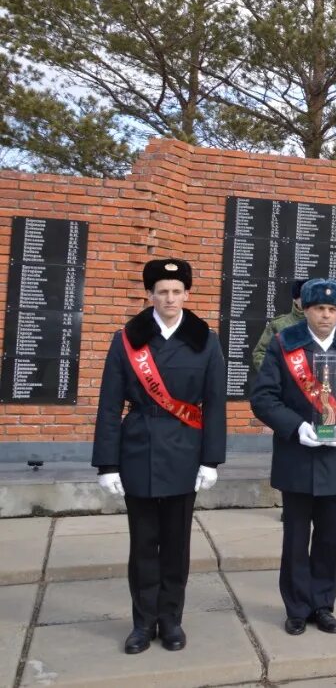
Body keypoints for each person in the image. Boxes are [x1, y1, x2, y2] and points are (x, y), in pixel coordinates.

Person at [92, 258, 227, 655]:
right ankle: (141, 622)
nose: (169, 298)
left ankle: (170, 619)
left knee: (176, 545)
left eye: (177, 291)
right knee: (143, 545)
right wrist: (107, 463)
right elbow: (109, 404)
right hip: (139, 449)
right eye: (162, 291)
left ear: (187, 294)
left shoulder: (206, 339)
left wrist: (210, 460)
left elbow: (216, 404)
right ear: (149, 294)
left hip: (186, 451)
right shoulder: (128, 339)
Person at [250, 278, 336, 635]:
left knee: (329, 539)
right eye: (318, 309)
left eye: (332, 309)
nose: (325, 315)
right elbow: (263, 398)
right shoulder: (285, 346)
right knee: (295, 538)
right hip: (297, 456)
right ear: (305, 310)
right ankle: (296, 608)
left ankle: (323, 605)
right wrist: (297, 428)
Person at [250, 279, 308, 372]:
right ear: (295, 300)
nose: (308, 301)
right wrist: (273, 375)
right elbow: (260, 353)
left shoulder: (325, 325)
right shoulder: (279, 324)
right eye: (304, 297)